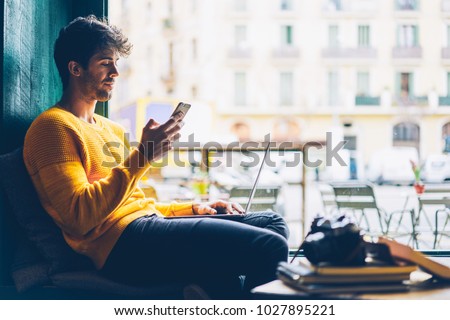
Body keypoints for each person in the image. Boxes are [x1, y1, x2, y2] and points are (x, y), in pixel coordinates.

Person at [23, 15, 289, 299]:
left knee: (273, 224)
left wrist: (194, 209)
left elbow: (140, 205)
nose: (115, 72)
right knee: (268, 246)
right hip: (121, 248)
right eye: (104, 63)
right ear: (75, 68)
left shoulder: (110, 128)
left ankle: (216, 291)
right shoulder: (53, 127)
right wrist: (143, 155)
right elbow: (79, 217)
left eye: (116, 63)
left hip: (146, 228)